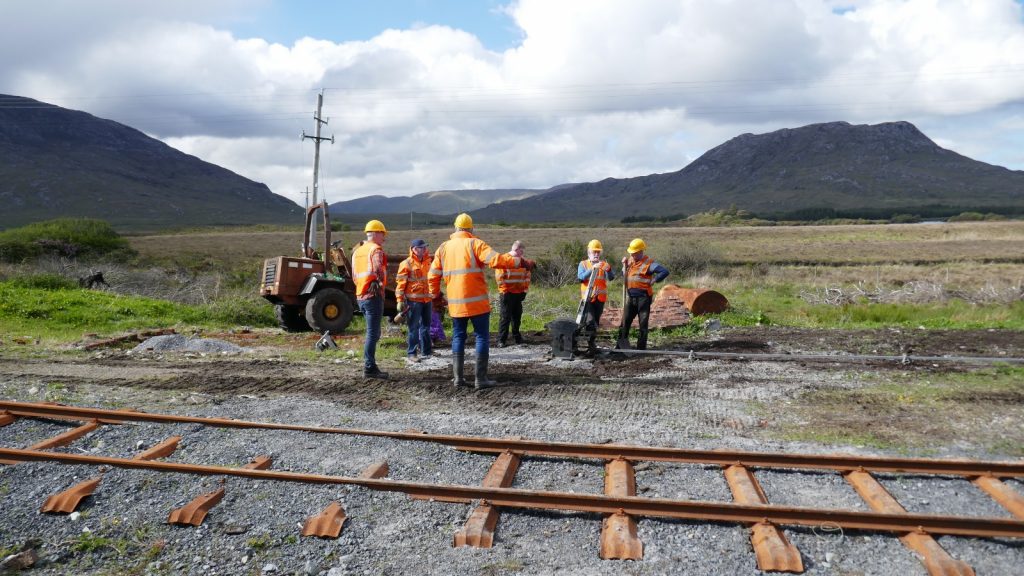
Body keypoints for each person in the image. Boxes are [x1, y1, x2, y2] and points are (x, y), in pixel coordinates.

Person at [429, 213, 536, 390]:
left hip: (456, 304)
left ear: (455, 228)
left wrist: (435, 296)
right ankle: (480, 379)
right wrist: (521, 262)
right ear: (471, 229)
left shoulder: (443, 248)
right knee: (481, 337)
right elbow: (496, 260)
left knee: (458, 337)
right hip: (477, 303)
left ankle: (458, 379)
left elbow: (432, 275)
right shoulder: (475, 244)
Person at [352, 220, 389, 379]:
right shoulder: (376, 250)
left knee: (372, 332)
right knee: (373, 333)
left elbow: (354, 276)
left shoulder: (357, 251)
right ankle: (369, 368)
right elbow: (377, 269)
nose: (384, 238)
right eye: (383, 234)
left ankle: (370, 365)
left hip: (360, 295)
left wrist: (363, 287)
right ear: (376, 233)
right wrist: (379, 283)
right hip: (373, 296)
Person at [617, 238, 669, 350]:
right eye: (631, 253)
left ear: (641, 251)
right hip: (630, 297)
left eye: (634, 253)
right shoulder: (630, 261)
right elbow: (623, 275)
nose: (632, 255)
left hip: (643, 298)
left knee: (643, 324)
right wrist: (624, 266)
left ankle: (641, 348)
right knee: (625, 322)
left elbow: (664, 271)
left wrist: (655, 280)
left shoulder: (649, 263)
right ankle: (620, 346)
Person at [396, 238, 433, 363]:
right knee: (413, 327)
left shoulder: (429, 262)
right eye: (420, 247)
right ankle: (412, 353)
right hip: (414, 301)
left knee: (426, 327)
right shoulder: (406, 264)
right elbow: (400, 284)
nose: (423, 249)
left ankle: (426, 351)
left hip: (427, 300)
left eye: (424, 247)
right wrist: (400, 300)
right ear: (413, 249)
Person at [577, 239, 615, 355]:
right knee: (590, 321)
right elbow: (580, 278)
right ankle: (590, 346)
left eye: (598, 252)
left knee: (595, 322)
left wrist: (608, 270)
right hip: (588, 299)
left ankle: (591, 344)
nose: (596, 254)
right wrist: (592, 269)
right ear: (589, 252)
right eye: (594, 252)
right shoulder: (583, 264)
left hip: (600, 299)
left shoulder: (604, 264)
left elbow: (611, 277)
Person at [495, 240, 530, 347]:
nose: (522, 253)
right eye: (521, 251)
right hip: (507, 293)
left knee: (517, 317)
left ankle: (517, 338)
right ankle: (501, 340)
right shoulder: (504, 259)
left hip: (518, 294)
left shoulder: (523, 262)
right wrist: (504, 291)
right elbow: (499, 278)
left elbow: (527, 276)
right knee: (505, 317)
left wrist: (524, 290)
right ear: (516, 249)